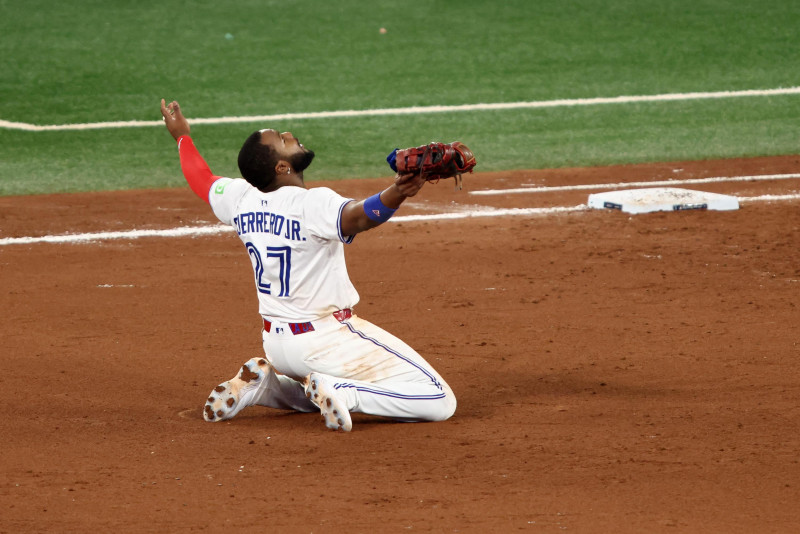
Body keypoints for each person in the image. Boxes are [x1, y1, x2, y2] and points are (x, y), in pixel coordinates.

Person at [160, 99, 456, 431]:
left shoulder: (239, 198)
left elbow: (201, 177)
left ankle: (268, 388)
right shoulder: (312, 204)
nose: (289, 135)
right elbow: (359, 217)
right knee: (438, 399)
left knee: (313, 386)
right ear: (282, 168)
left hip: (277, 345)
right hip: (327, 339)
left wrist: (182, 137)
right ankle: (343, 392)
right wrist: (399, 191)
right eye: (282, 141)